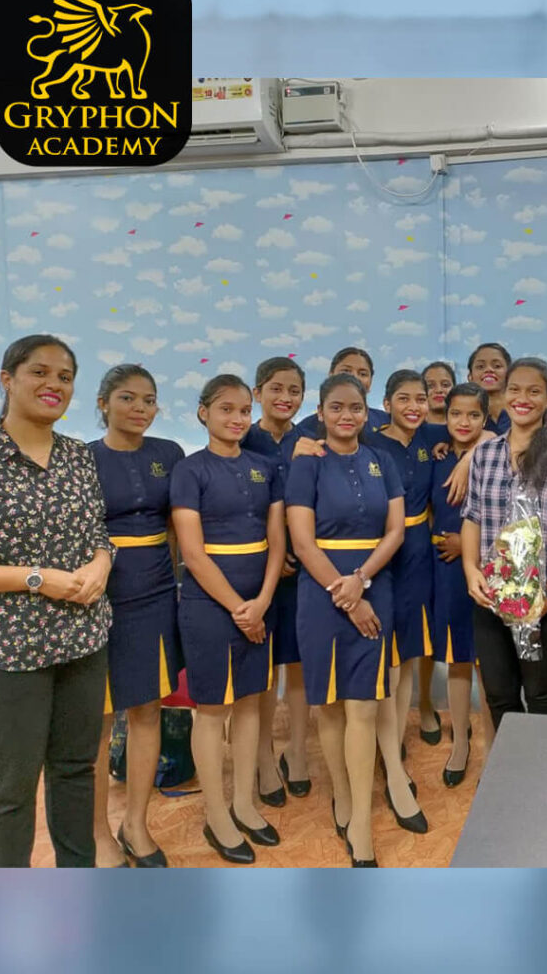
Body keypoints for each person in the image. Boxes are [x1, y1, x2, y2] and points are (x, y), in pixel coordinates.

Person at [0, 334, 114, 867]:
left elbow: (98, 532)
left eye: (65, 376)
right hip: (9, 650)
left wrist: (102, 562)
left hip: (84, 640)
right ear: (7, 379)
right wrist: (38, 579)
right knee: (11, 790)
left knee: (76, 772)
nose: (53, 384)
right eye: (39, 372)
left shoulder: (78, 457)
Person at [286, 374, 410, 866]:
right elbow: (302, 542)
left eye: (355, 408)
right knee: (331, 706)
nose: (346, 416)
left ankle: (360, 820)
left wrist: (361, 581)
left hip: (375, 586)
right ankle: (340, 791)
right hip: (321, 595)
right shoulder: (306, 464)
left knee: (364, 706)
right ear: (320, 412)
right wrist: (346, 593)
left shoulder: (382, 460)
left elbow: (396, 530)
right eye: (336, 407)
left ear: (366, 412)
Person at [171, 375, 286, 864]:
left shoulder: (264, 468)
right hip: (208, 606)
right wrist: (240, 610)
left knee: (251, 704)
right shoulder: (189, 470)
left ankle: (244, 803)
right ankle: (217, 815)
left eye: (243, 410)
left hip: (261, 599)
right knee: (212, 709)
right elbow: (193, 554)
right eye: (225, 410)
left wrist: (260, 601)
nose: (237, 419)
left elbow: (277, 541)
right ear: (204, 413)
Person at [89, 364, 184, 868]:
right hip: (99, 598)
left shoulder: (168, 454)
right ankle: (100, 836)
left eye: (150, 400)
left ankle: (137, 825)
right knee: (99, 722)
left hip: (155, 594)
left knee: (148, 710)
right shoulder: (83, 459)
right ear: (103, 402)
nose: (141, 409)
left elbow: (178, 527)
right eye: (128, 399)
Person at [461, 357, 547, 727]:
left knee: (540, 695)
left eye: (534, 392)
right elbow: (472, 516)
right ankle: (512, 777)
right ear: (503, 394)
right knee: (499, 695)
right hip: (490, 598)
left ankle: (544, 780)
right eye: (514, 390)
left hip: (545, 604)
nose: (522, 399)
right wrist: (471, 570)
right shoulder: (485, 454)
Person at [241, 358, 312, 809]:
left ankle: (299, 752)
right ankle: (265, 759)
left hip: (306, 571)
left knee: (301, 665)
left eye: (294, 390)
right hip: (259, 573)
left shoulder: (313, 441)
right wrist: (274, 554)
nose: (285, 397)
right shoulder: (242, 437)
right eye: (276, 389)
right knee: (263, 671)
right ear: (257, 392)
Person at [364, 371, 435, 787]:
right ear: (386, 403)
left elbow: (481, 429)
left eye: (421, 399)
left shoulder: (430, 439)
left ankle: (395, 736)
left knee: (407, 654)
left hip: (420, 554)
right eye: (403, 399)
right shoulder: (370, 443)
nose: (413, 406)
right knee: (383, 658)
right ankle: (381, 743)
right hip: (380, 554)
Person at [429, 383, 496, 782]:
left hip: (487, 569)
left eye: (473, 415)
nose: (464, 422)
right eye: (456, 414)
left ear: (485, 419)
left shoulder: (496, 455)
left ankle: (491, 744)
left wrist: (468, 545)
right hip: (446, 571)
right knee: (456, 660)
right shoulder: (437, 456)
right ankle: (460, 742)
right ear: (446, 415)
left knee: (488, 661)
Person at [417, 360, 458, 742]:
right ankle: (424, 703)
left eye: (446, 383)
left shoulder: (463, 431)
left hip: (455, 551)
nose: (438, 389)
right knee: (422, 629)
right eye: (431, 384)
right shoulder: (416, 432)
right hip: (418, 546)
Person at [297, 347, 389, 437]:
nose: (354, 377)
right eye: (346, 371)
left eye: (363, 374)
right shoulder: (305, 430)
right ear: (330, 375)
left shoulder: (386, 421)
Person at [467, 342, 511, 434]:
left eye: (497, 366)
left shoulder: (522, 412)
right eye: (480, 367)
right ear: (470, 377)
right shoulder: (464, 418)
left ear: (510, 374)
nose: (489, 370)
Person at [423, 360, 457, 426]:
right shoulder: (411, 430)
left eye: (445, 385)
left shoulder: (465, 428)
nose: (439, 390)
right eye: (430, 386)